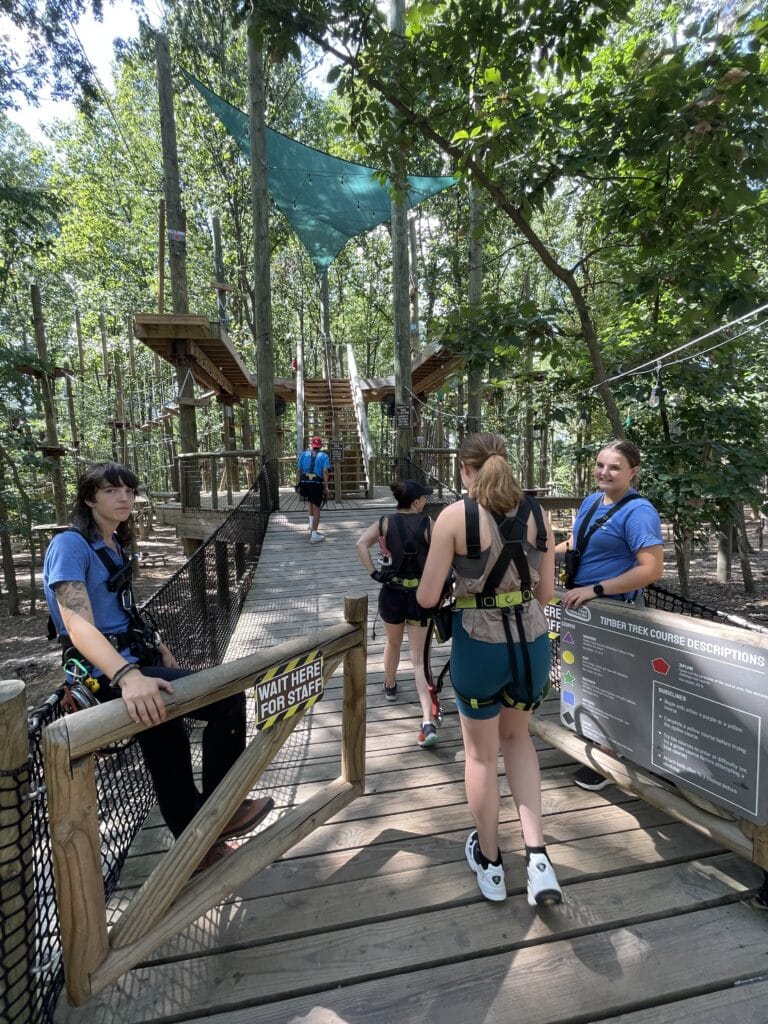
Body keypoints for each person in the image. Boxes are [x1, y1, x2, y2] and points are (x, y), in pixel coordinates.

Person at [43, 462, 273, 872]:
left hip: (138, 662)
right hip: (105, 676)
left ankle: (194, 849)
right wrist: (128, 677)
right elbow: (77, 624)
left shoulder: (113, 545)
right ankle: (224, 808)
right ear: (89, 497)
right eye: (112, 490)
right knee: (226, 697)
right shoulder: (70, 545)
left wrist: (157, 644)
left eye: (129, 491)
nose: (124, 498)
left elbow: (121, 609)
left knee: (169, 751)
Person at [417, 433, 562, 907]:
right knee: (519, 740)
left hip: (480, 646)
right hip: (533, 647)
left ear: (465, 469)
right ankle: (538, 859)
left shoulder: (455, 517)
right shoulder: (538, 515)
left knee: (480, 757)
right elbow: (544, 595)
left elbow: (424, 597)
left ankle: (492, 863)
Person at [557, 439, 664, 790]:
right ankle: (598, 740)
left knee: (617, 683)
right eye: (601, 464)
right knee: (590, 677)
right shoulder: (592, 501)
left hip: (614, 609)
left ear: (633, 472)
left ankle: (610, 759)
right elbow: (577, 542)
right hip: (583, 610)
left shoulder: (639, 512)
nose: (605, 472)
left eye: (614, 467)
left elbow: (651, 570)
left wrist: (596, 589)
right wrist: (539, 554)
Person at [355, 479, 439, 748]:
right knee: (417, 660)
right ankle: (427, 720)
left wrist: (374, 573)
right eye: (423, 498)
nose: (425, 501)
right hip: (420, 596)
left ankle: (390, 684)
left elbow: (360, 544)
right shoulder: (428, 524)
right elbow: (443, 555)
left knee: (392, 642)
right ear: (415, 503)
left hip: (391, 593)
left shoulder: (385, 522)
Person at [297, 436, 331, 544]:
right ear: (320, 446)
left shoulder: (304, 454)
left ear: (312, 445)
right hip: (316, 484)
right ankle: (314, 535)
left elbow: (298, 470)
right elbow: (325, 471)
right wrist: (326, 486)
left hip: (304, 484)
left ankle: (311, 525)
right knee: (316, 508)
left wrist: (298, 483)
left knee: (310, 502)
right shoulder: (324, 456)